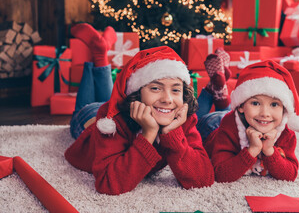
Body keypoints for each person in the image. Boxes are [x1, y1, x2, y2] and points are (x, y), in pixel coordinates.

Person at [65, 25, 214, 195]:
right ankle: (98, 56)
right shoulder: (112, 121)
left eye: (175, 90)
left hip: (121, 107)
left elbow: (203, 179)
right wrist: (148, 134)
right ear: (137, 93)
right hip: (91, 120)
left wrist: (172, 134)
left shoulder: (181, 116)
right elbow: (108, 184)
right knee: (83, 110)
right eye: (155, 88)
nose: (167, 99)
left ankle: (100, 53)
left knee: (106, 98)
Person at [196, 55, 299, 183]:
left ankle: (219, 91)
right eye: (256, 103)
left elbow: (290, 174)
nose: (265, 114)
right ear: (240, 106)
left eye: (274, 104)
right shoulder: (229, 126)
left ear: (284, 109)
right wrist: (252, 150)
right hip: (211, 127)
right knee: (193, 119)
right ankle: (213, 90)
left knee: (226, 110)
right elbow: (220, 174)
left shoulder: (286, 132)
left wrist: (269, 151)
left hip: (241, 116)